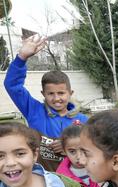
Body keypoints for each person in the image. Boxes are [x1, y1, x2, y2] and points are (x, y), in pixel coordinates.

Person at [3, 35, 88, 171]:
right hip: (42, 178)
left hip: (75, 180)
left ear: (70, 93)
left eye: (61, 93)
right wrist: (21, 57)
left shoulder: (83, 120)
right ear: (43, 94)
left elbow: (94, 147)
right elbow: (12, 85)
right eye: (50, 94)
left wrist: (69, 145)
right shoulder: (34, 110)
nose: (56, 98)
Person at [56, 122, 100, 187]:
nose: (79, 156)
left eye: (83, 150)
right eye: (72, 151)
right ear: (64, 151)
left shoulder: (101, 169)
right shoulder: (61, 177)